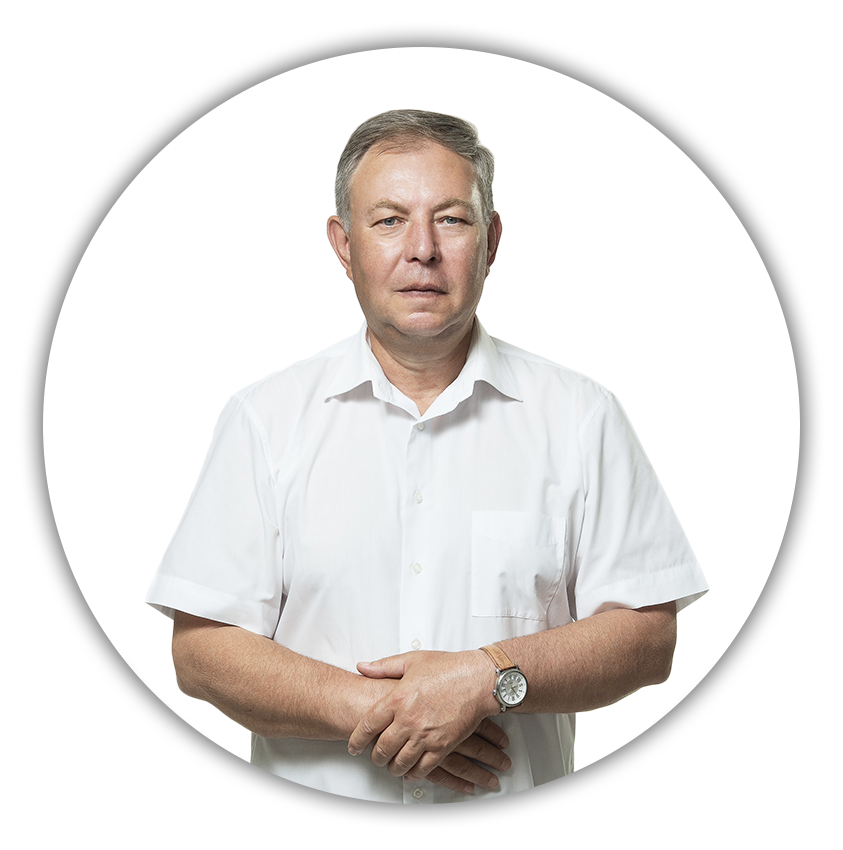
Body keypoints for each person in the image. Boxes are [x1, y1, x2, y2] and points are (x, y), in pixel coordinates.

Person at [145, 109, 708, 805]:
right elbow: (202, 652)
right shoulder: (265, 420)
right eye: (388, 221)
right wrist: (383, 711)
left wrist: (488, 677)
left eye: (451, 219)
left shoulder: (581, 417)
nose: (421, 250)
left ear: (491, 240)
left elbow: (646, 639)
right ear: (343, 245)